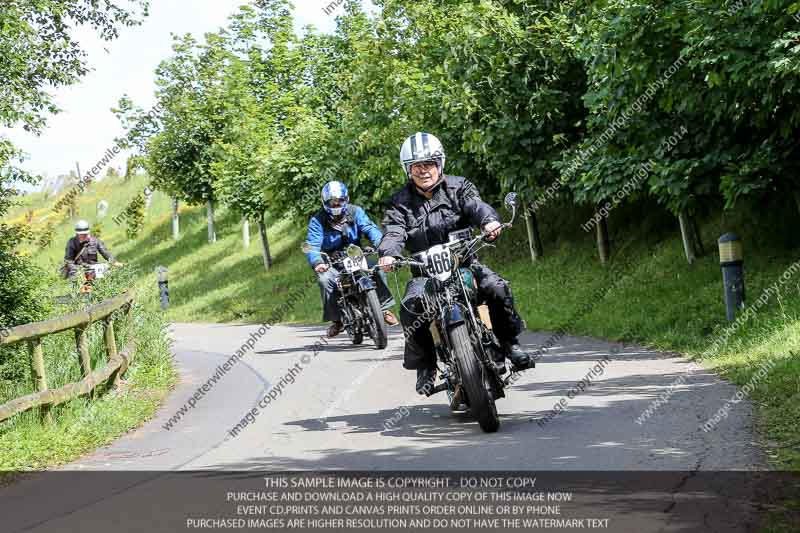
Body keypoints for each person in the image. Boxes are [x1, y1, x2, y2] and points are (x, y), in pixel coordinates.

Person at [378, 132, 533, 394]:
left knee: (496, 287)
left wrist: (489, 221)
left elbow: (476, 205)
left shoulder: (459, 186)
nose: (424, 171)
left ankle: (509, 343)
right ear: (408, 170)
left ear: (440, 164)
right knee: (410, 308)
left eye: (429, 164)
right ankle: (425, 366)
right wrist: (388, 253)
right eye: (417, 166)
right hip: (424, 273)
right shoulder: (399, 202)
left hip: (464, 262)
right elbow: (394, 230)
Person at [305, 181, 398, 338]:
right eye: (331, 202)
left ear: (345, 199)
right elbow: (312, 244)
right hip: (332, 261)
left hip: (355, 255)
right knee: (325, 280)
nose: (336, 204)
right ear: (324, 202)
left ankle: (383, 308)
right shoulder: (317, 220)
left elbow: (370, 228)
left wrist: (383, 247)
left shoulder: (356, 211)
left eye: (339, 201)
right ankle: (337, 321)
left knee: (378, 268)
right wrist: (317, 262)